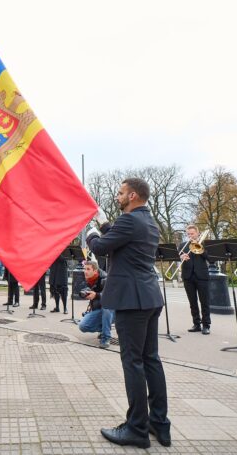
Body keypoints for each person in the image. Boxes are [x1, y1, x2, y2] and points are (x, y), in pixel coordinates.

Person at [87, 178, 170, 448]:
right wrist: (102, 222)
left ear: (132, 195)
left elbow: (100, 247)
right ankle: (159, 424)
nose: (118, 195)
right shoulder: (148, 222)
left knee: (133, 362)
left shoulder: (129, 220)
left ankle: (136, 429)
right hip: (149, 297)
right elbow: (119, 237)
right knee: (151, 360)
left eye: (121, 192)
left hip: (132, 301)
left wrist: (89, 232)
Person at [179, 224, 211, 335]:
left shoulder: (204, 244)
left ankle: (206, 325)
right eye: (188, 234)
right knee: (192, 302)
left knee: (204, 302)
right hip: (188, 276)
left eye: (192, 233)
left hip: (202, 276)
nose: (190, 236)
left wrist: (201, 250)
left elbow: (211, 259)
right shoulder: (183, 245)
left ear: (197, 233)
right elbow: (178, 257)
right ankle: (196, 324)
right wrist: (181, 257)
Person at [78, 260, 115, 348]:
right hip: (99, 309)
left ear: (95, 271)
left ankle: (106, 338)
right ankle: (104, 328)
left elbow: (111, 296)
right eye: (84, 269)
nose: (85, 271)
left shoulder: (106, 279)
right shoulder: (89, 279)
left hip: (112, 310)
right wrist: (86, 292)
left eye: (88, 269)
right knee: (83, 326)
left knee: (106, 307)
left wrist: (96, 295)